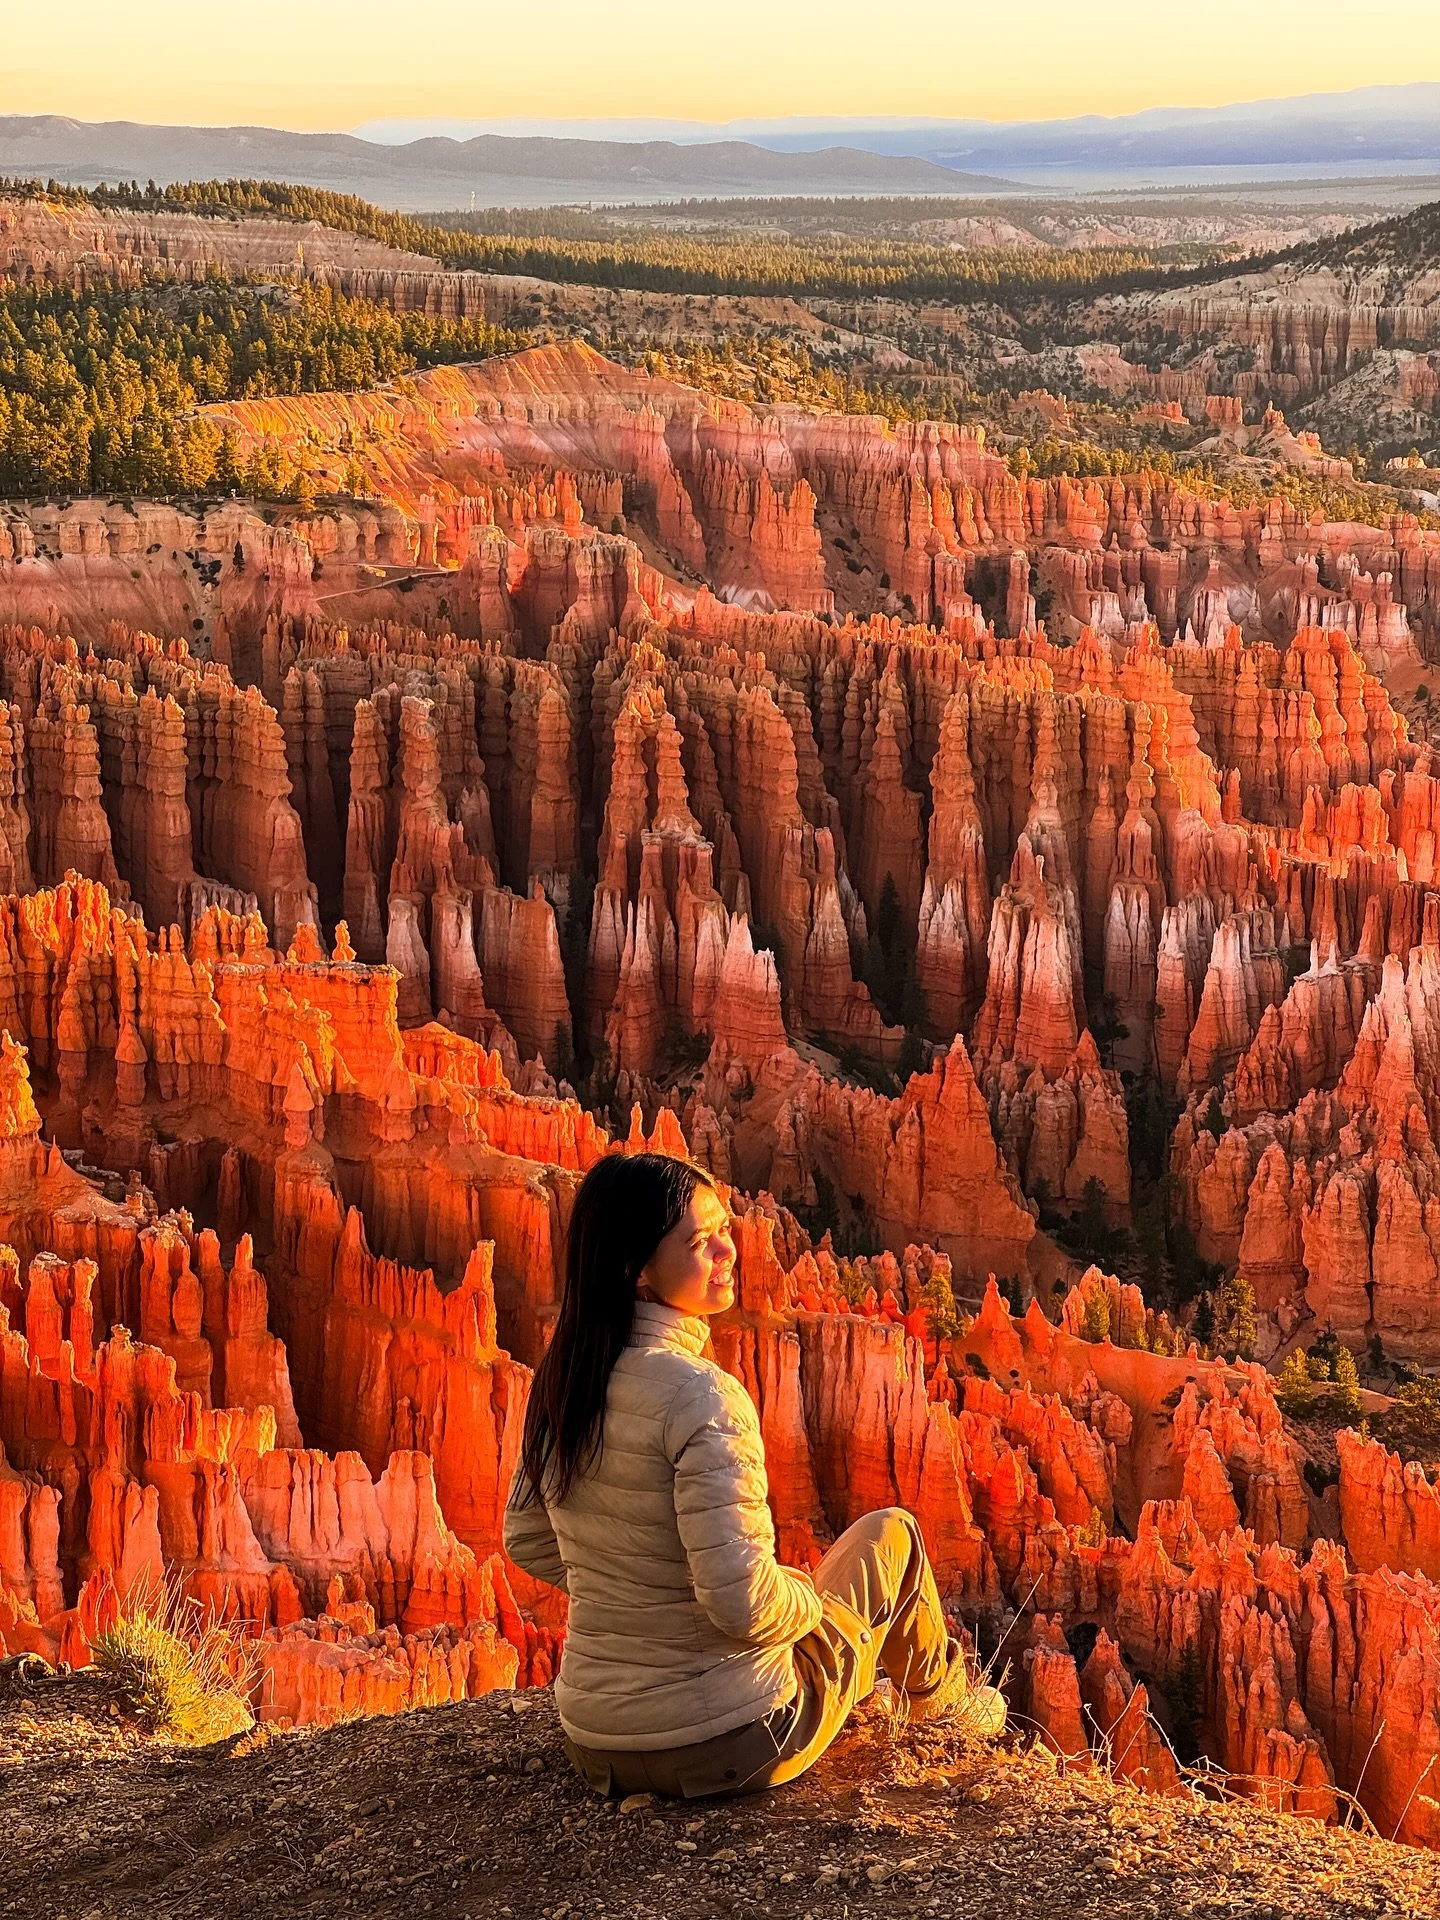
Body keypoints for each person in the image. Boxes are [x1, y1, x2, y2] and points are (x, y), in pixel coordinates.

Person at [504, 1151, 1004, 1799]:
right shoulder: (700, 1394)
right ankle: (947, 1717)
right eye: (698, 1241)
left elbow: (527, 1540)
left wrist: (634, 1589)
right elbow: (744, 1606)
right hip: (729, 1739)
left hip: (597, 1742)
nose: (727, 1251)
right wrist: (807, 1599)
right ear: (637, 1273)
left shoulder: (564, 1379)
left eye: (724, 1229)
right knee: (895, 1537)